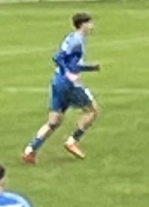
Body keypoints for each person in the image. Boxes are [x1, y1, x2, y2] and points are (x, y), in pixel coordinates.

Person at [24, 11, 101, 163]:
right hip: (69, 83)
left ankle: (30, 150)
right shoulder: (77, 41)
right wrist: (70, 73)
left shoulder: (71, 37)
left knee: (54, 121)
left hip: (57, 80)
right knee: (92, 110)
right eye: (90, 23)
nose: (92, 26)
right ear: (83, 24)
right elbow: (58, 57)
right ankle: (73, 141)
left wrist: (89, 67)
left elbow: (70, 61)